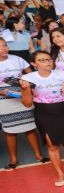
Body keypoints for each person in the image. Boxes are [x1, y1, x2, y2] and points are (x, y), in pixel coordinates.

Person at [19, 51, 64, 186]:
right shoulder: (28, 78)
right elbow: (27, 103)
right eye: (42, 60)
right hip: (43, 113)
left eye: (49, 59)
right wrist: (25, 90)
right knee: (52, 146)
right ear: (34, 64)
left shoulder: (62, 74)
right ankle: (60, 174)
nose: (48, 62)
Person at [0, 38, 47, 169]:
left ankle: (39, 155)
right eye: (0, 46)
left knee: (30, 127)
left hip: (23, 95)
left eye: (5, 45)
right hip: (3, 99)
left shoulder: (17, 59)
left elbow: (32, 75)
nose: (4, 48)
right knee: (10, 130)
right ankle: (13, 160)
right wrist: (3, 92)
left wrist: (27, 87)